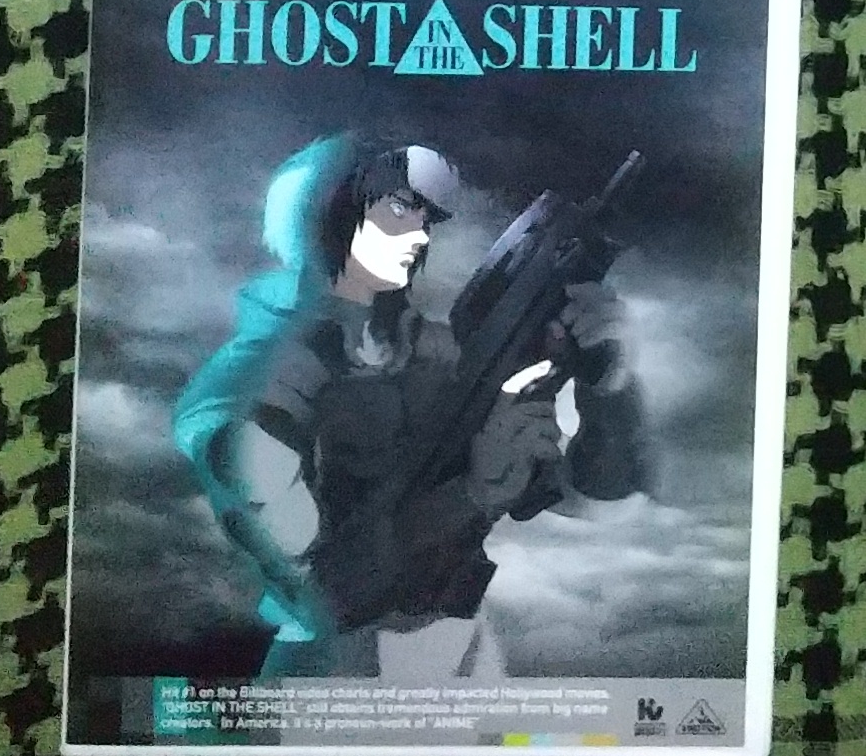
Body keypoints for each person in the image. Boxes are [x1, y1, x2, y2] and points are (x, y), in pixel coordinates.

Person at [173, 137, 643, 683]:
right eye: (396, 211)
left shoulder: (443, 354)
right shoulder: (247, 392)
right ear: (326, 220)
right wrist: (472, 492)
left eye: (423, 216)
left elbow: (595, 500)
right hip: (337, 672)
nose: (419, 235)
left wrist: (605, 386)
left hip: (467, 653)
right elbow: (326, 597)